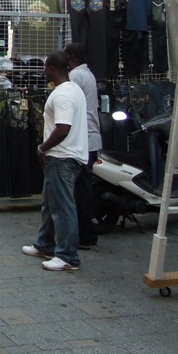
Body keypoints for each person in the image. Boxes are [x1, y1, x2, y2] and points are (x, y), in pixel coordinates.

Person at [23, 51, 88, 271]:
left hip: (63, 156)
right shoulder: (72, 90)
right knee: (51, 204)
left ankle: (68, 256)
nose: (43, 71)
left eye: (45, 67)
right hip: (64, 155)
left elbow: (63, 128)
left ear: (51, 68)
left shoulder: (62, 95)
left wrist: (43, 147)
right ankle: (45, 244)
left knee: (62, 206)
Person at [65, 43, 101, 250]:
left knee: (80, 190)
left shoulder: (76, 77)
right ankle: (85, 233)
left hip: (84, 139)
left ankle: (84, 234)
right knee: (82, 189)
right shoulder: (88, 75)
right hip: (90, 137)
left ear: (71, 58)